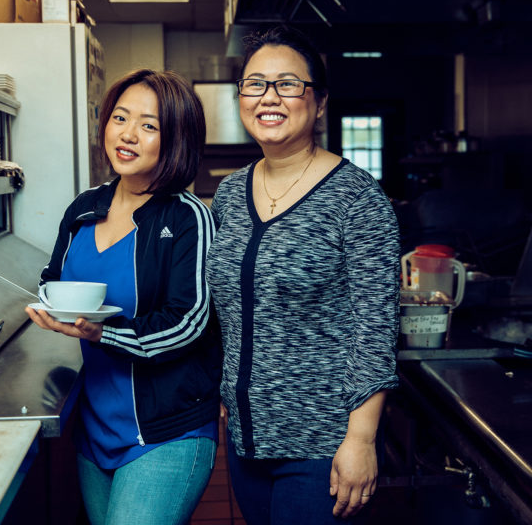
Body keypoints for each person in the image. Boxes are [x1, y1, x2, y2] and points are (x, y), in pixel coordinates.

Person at [205, 26, 401, 525]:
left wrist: (361, 439)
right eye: (254, 84)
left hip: (322, 444)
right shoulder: (229, 194)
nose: (268, 97)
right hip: (247, 439)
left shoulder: (357, 199)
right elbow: (232, 308)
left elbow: (374, 330)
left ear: (318, 103)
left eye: (288, 84)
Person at [25, 69, 221, 525]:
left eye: (149, 125)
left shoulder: (189, 218)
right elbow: (53, 277)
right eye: (120, 118)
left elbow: (189, 321)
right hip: (95, 429)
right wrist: (51, 304)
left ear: (175, 140)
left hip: (168, 431)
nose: (128, 135)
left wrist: (101, 333)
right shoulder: (83, 207)